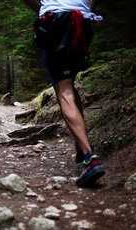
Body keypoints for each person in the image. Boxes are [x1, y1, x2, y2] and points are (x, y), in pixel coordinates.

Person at [23, 0, 105, 187]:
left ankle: (89, 158)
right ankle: (81, 146)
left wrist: (42, 9)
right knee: (69, 85)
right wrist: (86, 11)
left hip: (55, 21)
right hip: (82, 22)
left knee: (64, 91)